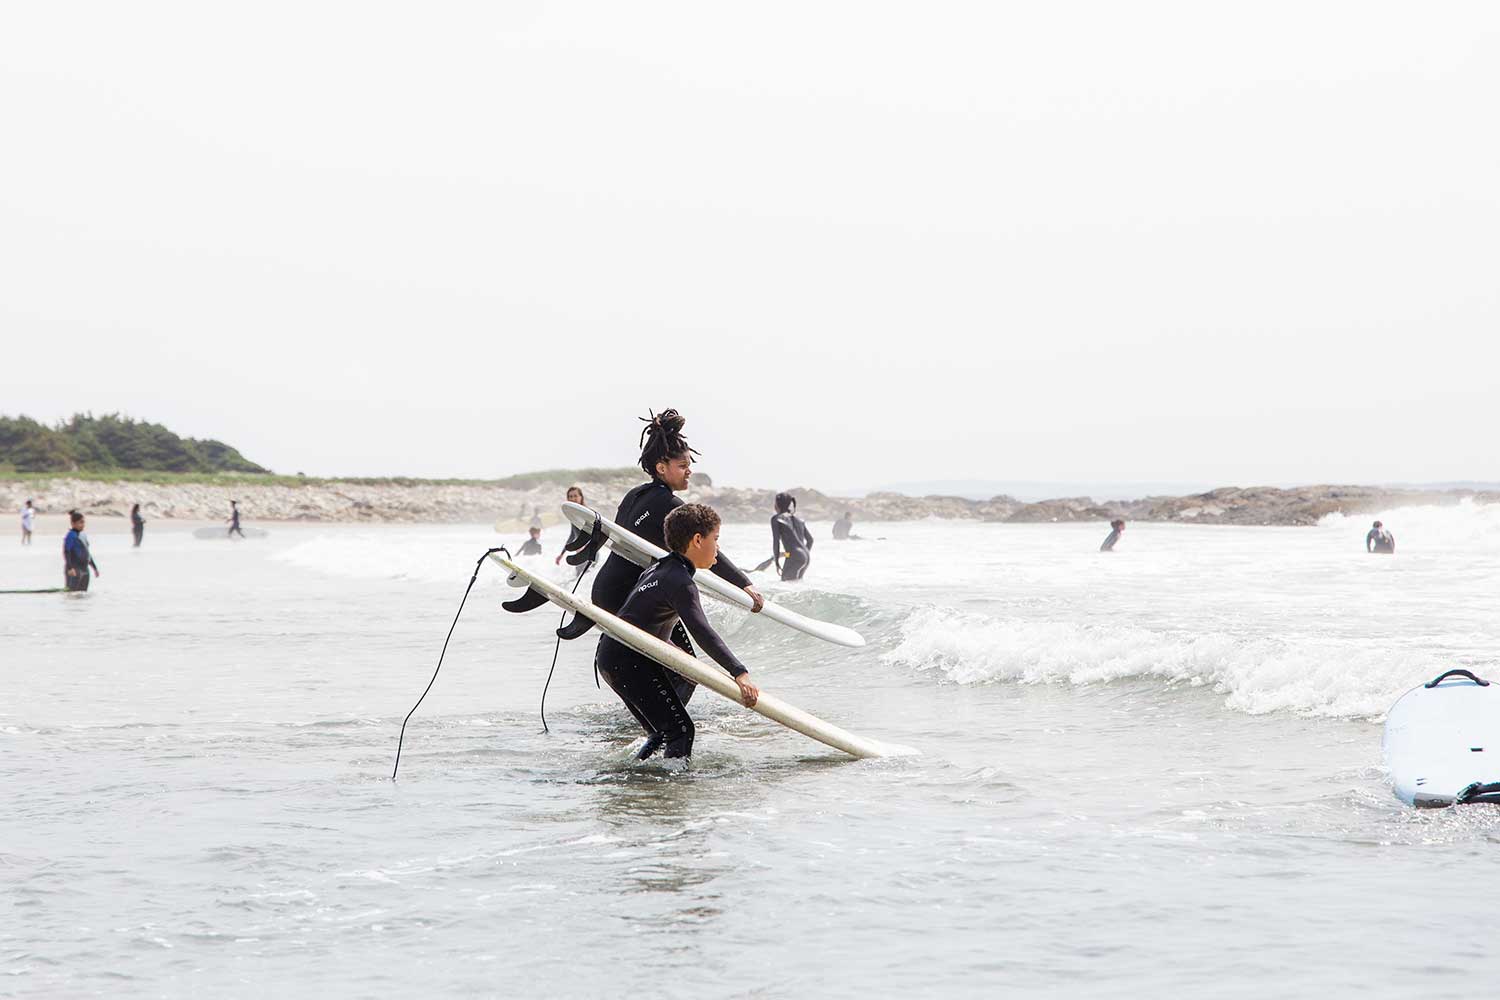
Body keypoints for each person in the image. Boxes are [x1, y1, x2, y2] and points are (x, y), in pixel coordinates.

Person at [597, 503, 759, 761]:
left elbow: (640, 619)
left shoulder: (659, 569)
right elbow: (702, 630)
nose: (717, 547)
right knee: (681, 731)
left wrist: (682, 660)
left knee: (664, 732)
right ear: (697, 540)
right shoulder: (680, 581)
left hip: (610, 655)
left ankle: (636, 782)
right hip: (627, 660)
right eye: (715, 539)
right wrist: (739, 672)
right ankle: (669, 790)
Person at [771, 492, 814, 581]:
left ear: (777, 504)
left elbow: (776, 542)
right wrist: (803, 555)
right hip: (806, 556)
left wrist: (776, 562)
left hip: (794, 556)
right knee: (796, 586)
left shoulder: (777, 518)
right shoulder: (799, 520)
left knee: (786, 585)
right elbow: (810, 540)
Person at [556, 486, 592, 575]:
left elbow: (593, 534)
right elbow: (572, 536)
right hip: (580, 555)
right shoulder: (573, 515)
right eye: (570, 496)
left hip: (587, 554)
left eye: (575, 496)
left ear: (581, 497)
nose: (573, 499)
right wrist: (562, 554)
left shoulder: (587, 513)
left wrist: (584, 548)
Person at [63, 510, 100, 592]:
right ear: (73, 523)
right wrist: (70, 568)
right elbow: (67, 552)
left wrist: (95, 568)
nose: (83, 525)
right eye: (80, 522)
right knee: (72, 594)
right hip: (74, 569)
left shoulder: (83, 535)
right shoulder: (70, 536)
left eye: (83, 522)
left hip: (84, 569)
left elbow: (87, 554)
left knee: (83, 594)